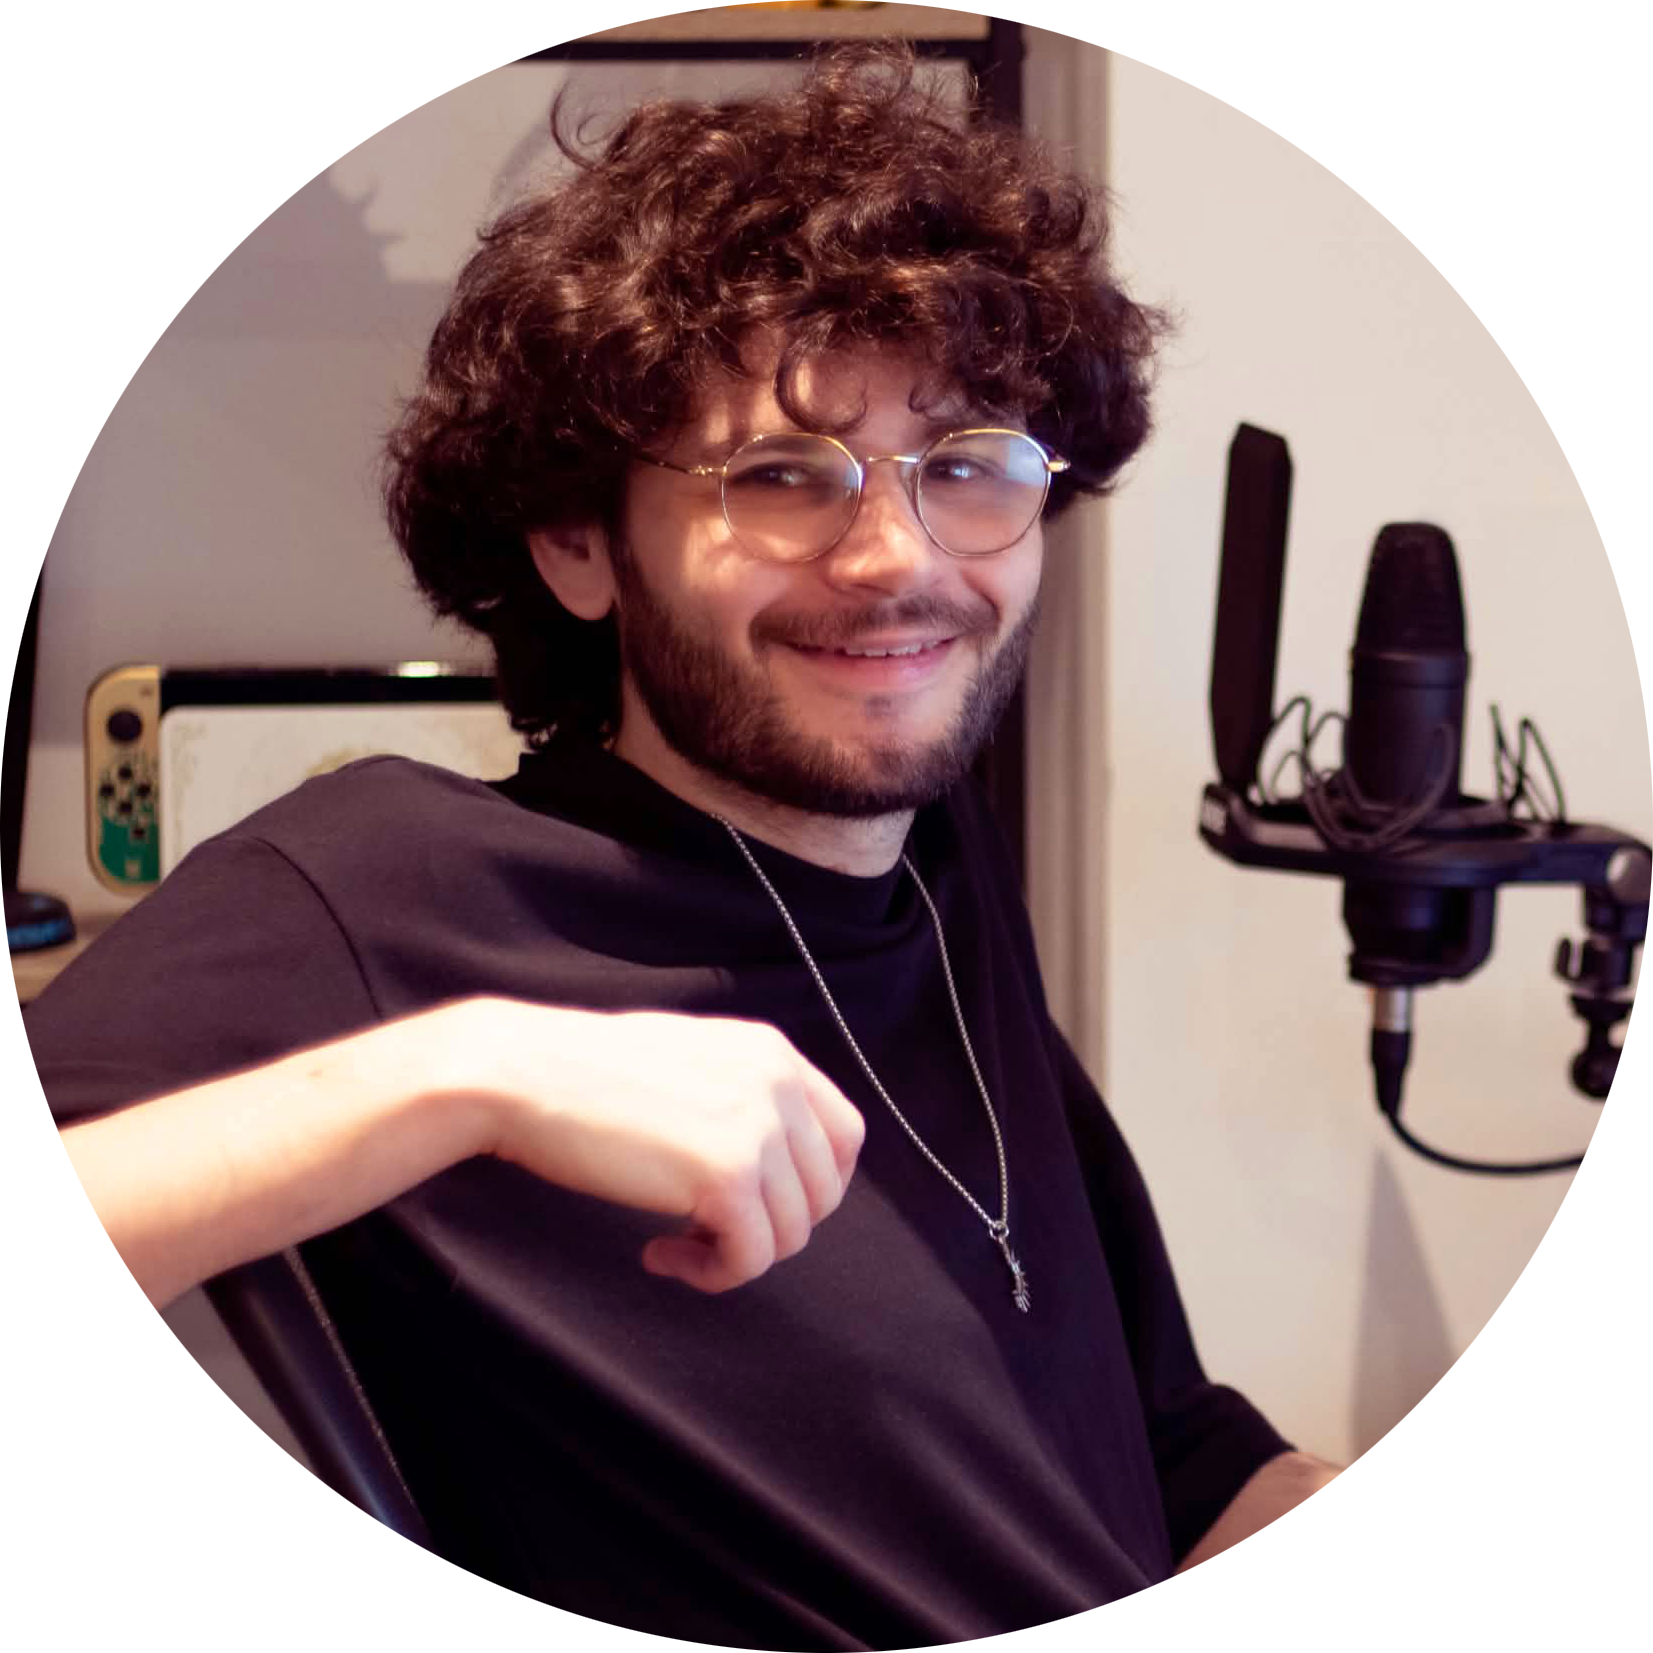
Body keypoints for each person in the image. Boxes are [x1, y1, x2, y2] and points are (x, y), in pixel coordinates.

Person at [35, 42, 1320, 1652]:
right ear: (580, 542)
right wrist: (467, 1078)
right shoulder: (382, 889)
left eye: (967, 469)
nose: (894, 562)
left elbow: (1172, 1473)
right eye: (783, 477)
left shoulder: (928, 868)